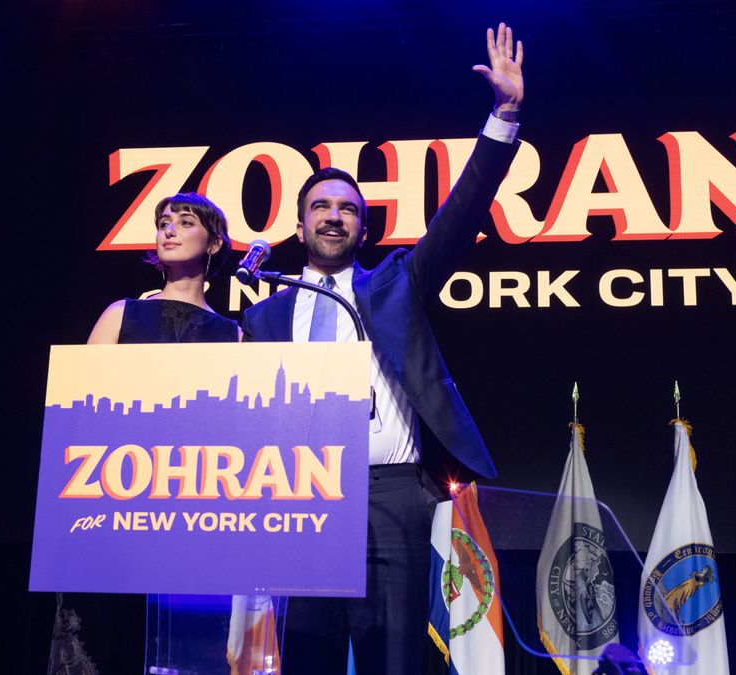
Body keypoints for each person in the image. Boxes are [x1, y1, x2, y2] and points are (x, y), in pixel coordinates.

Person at [239, 22, 526, 675]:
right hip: (298, 498)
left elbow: (462, 214)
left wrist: (504, 116)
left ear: (363, 225)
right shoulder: (266, 315)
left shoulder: (398, 280)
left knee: (395, 661)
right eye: (320, 206)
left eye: (346, 207)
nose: (333, 215)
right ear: (300, 223)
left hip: (395, 494)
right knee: (306, 657)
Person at [48, 192, 237, 675]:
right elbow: (78, 409)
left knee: (168, 646)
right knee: (99, 637)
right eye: (163, 222)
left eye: (185, 221)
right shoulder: (122, 314)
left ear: (214, 241)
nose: (168, 230)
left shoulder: (231, 336)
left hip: (188, 515)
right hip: (111, 507)